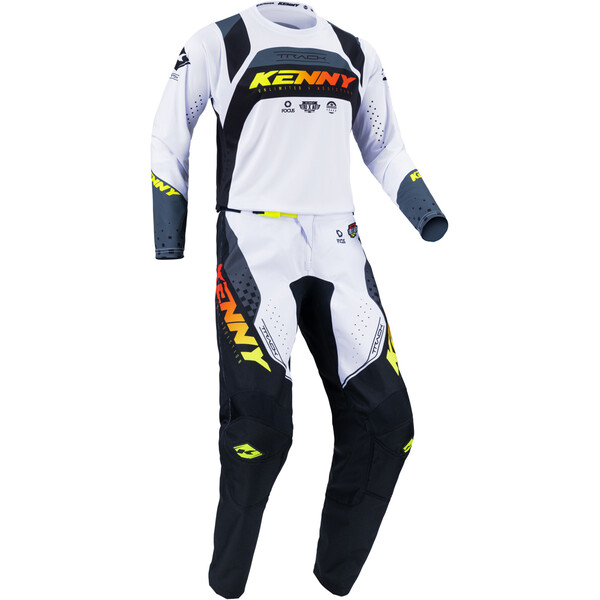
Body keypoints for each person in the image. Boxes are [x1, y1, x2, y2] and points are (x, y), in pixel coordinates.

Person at [151, 3, 448, 597]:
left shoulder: (356, 50)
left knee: (389, 426)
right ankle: (227, 582)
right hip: (255, 245)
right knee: (258, 434)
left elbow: (384, 145)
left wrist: (425, 211)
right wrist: (168, 231)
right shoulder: (219, 41)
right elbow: (169, 133)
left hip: (339, 244)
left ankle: (331, 579)